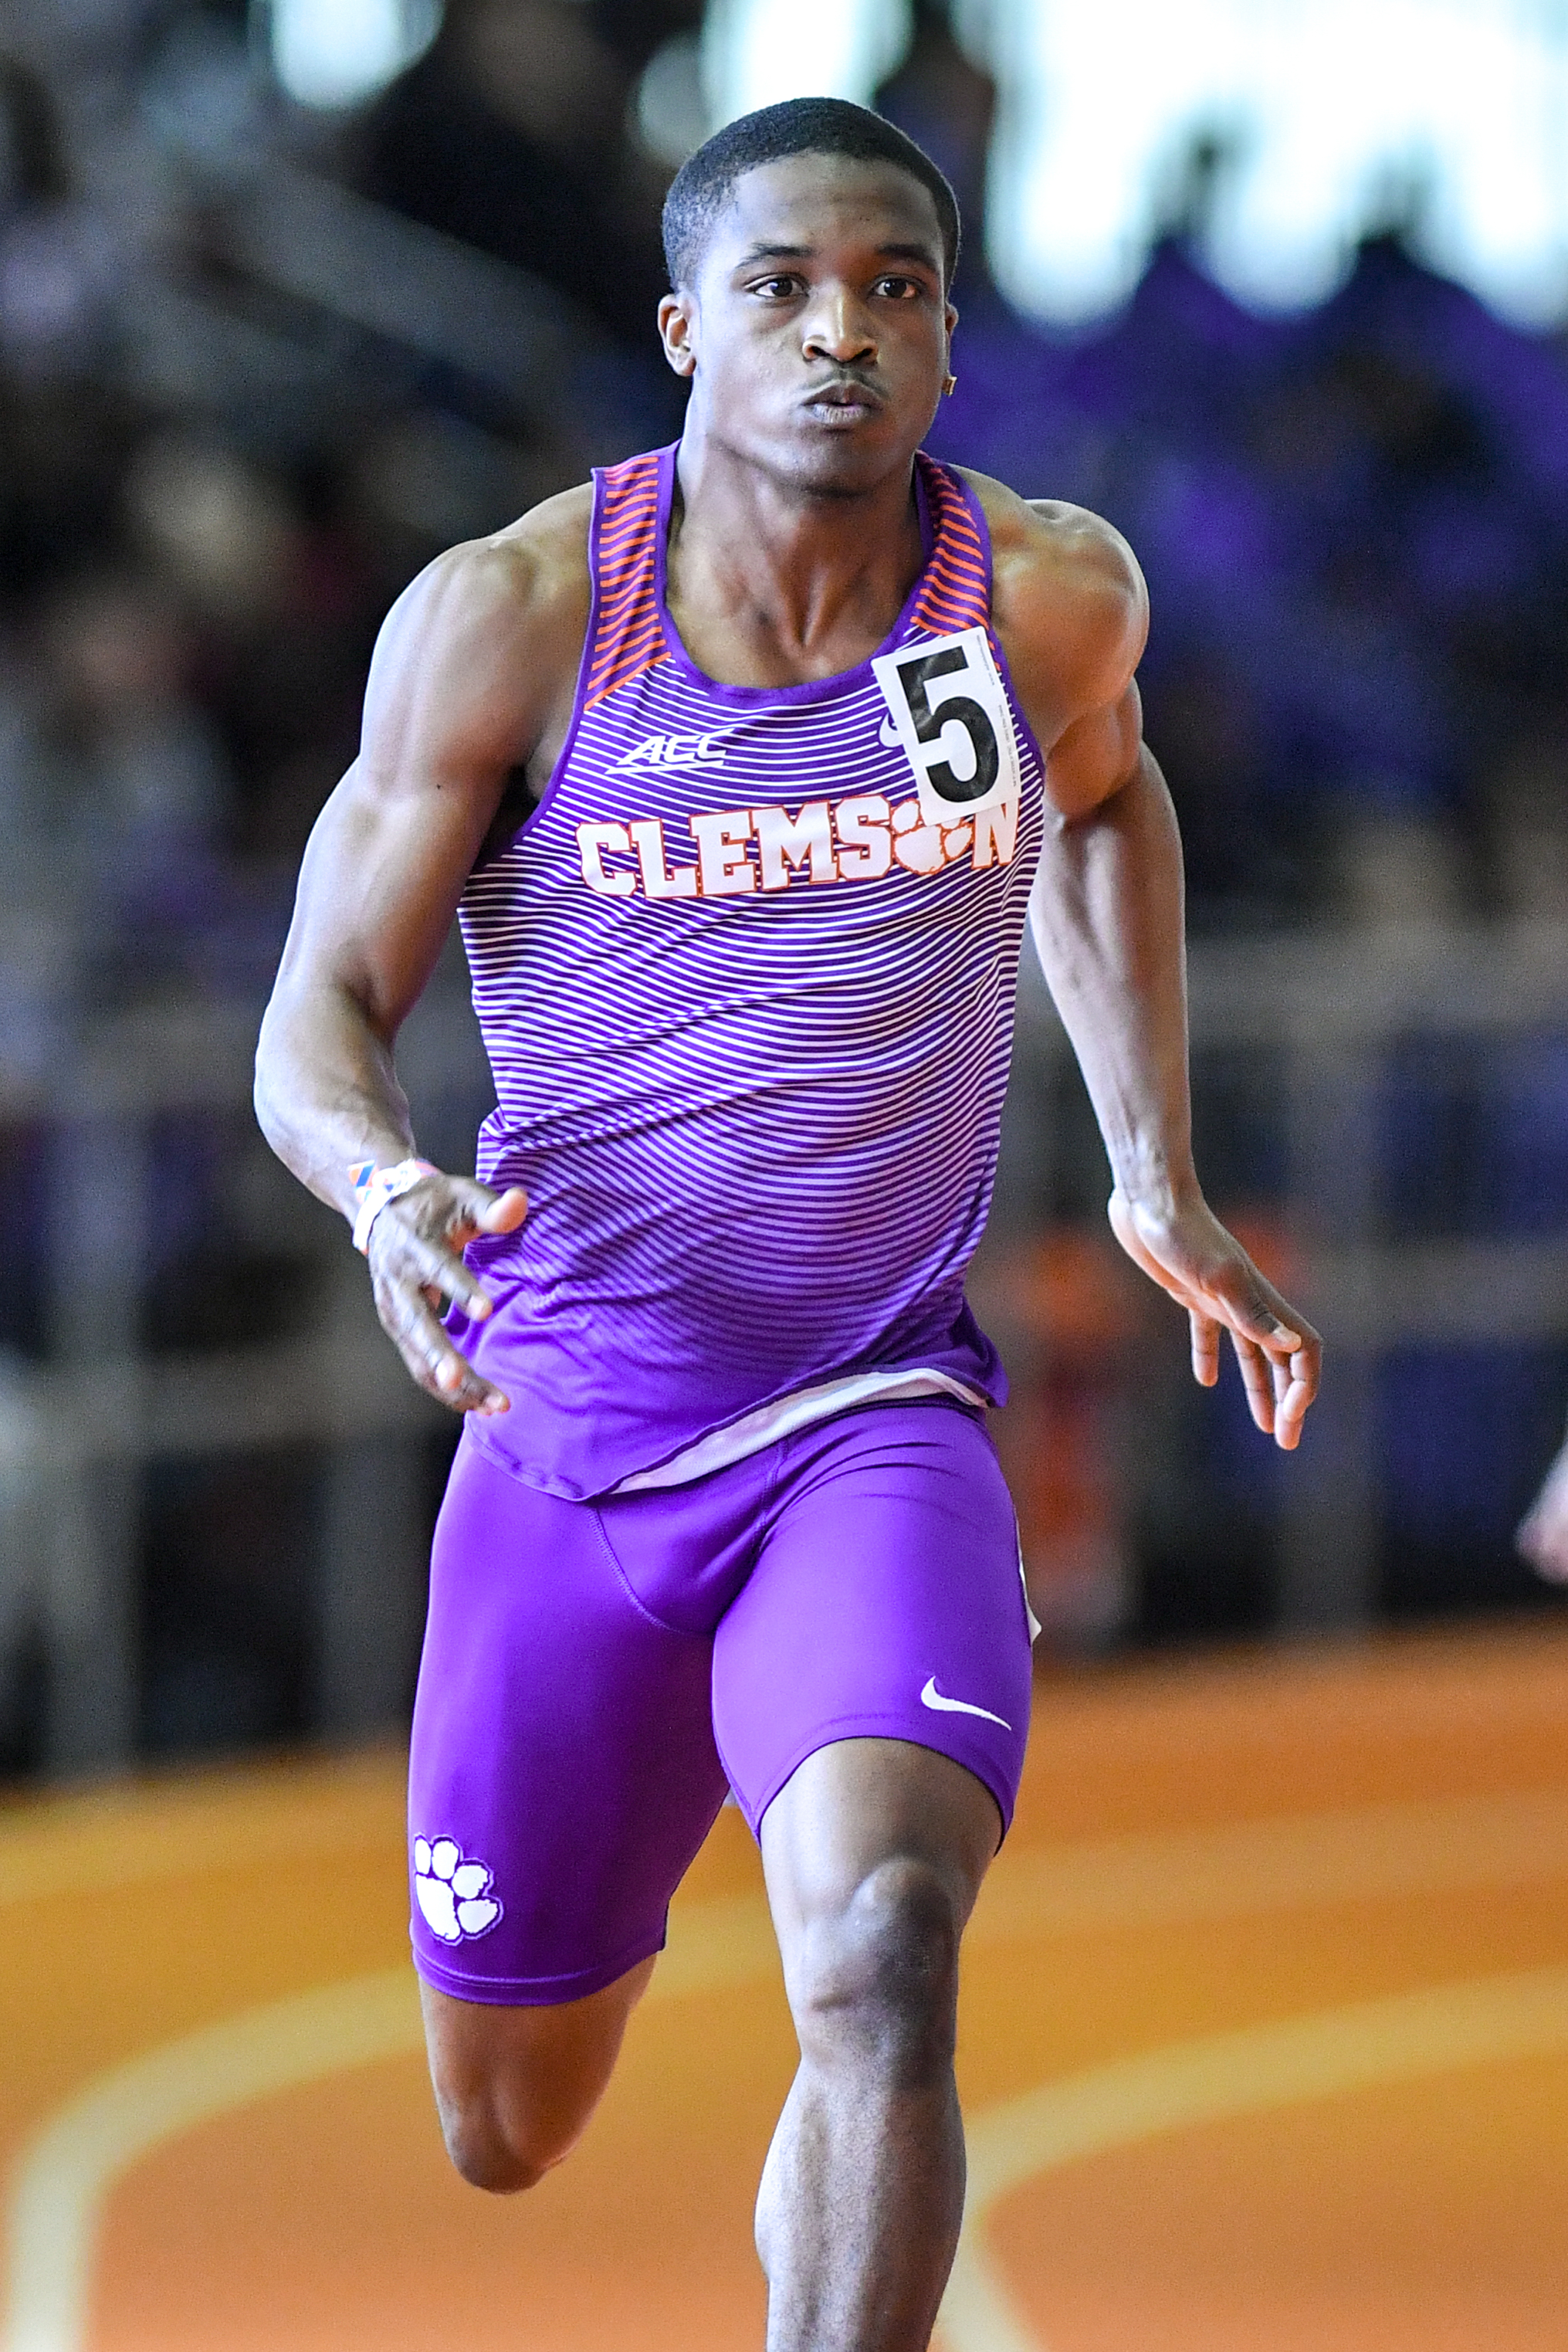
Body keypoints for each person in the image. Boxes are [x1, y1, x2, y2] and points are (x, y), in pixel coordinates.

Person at [255, 97, 1321, 2352]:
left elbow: (1105, 802)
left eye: (891, 290)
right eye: (782, 289)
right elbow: (315, 1014)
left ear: (947, 338)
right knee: (505, 2123)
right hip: (570, 1439)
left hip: (869, 1416)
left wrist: (1153, 1159)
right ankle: (785, 2121)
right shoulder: (518, 624)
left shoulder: (1034, 603)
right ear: (685, 333)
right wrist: (383, 1185)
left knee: (886, 1947)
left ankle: (846, 2193)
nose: (840, 334)